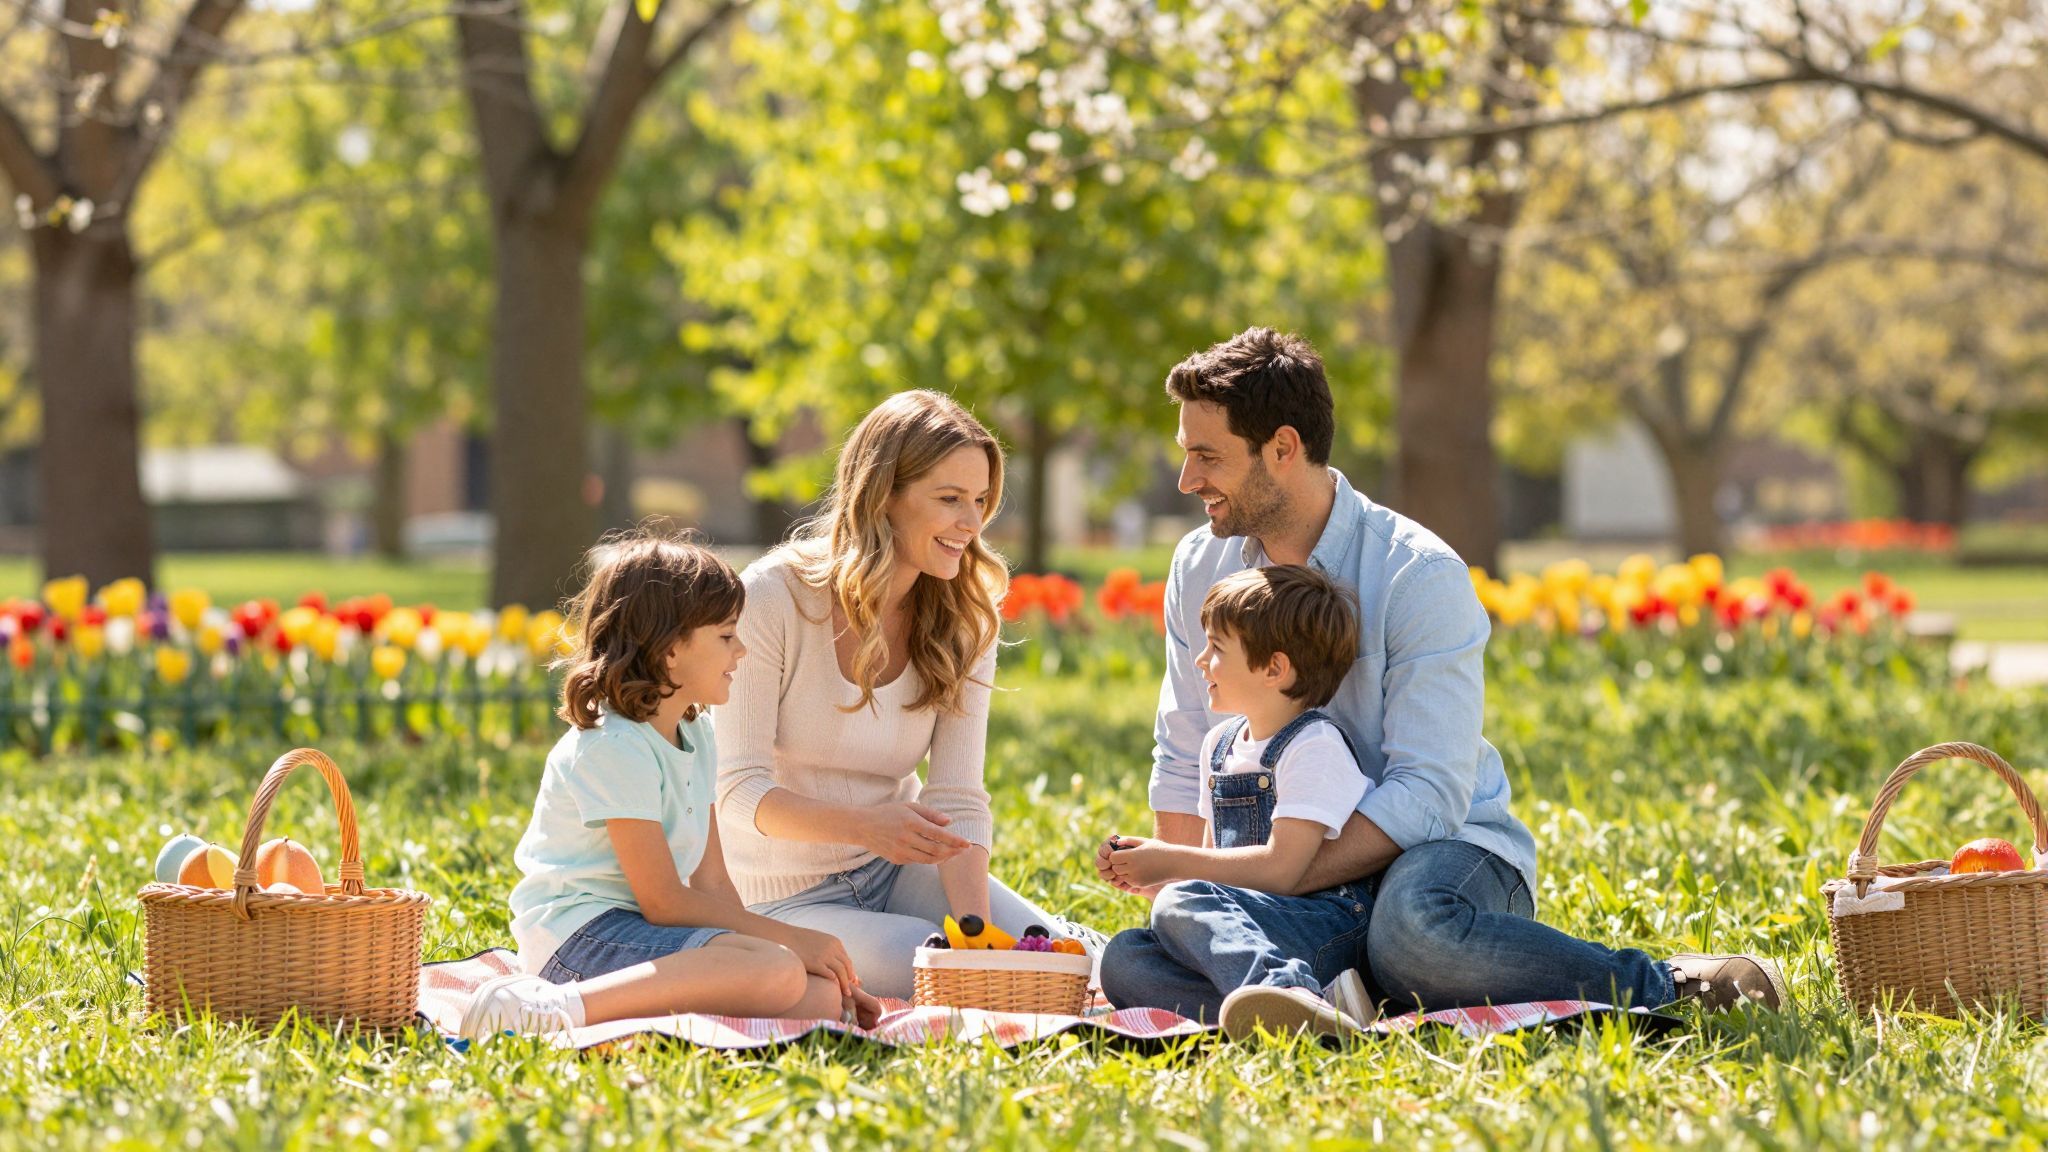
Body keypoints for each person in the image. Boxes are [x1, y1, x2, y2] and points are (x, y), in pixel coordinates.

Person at [1099, 327, 1787, 1023]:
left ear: (1282, 448)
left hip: (1441, 857)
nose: (1188, 481)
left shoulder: (1415, 572)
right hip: (1292, 882)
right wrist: (1194, 906)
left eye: (1206, 457)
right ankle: (1334, 998)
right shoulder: (1199, 567)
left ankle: (1662, 984)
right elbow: (1185, 749)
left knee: (1411, 935)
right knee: (1134, 960)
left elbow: (1428, 793)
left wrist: (1267, 875)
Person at [717, 391, 1096, 1000]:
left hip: (898, 870)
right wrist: (866, 827)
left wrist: (976, 938)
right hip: (776, 895)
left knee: (1049, 965)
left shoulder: (966, 615)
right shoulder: (772, 599)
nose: (970, 525)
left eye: (980, 502)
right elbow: (738, 792)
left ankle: (1069, 940)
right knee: (924, 967)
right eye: (949, 500)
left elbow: (957, 796)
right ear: (882, 495)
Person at [462, 533, 882, 1038]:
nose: (742, 650)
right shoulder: (614, 745)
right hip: (580, 941)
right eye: (727, 636)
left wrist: (804, 960)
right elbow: (663, 899)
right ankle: (551, 1010)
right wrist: (792, 940)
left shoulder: (696, 731)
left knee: (815, 996)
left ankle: (625, 1007)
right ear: (669, 652)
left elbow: (712, 885)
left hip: (645, 931)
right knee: (778, 970)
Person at [1100, 564, 1381, 1038]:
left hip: (1323, 929)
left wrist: (1171, 866)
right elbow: (1214, 867)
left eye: (1217, 648)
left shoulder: (1314, 747)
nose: (1200, 660)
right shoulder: (1220, 745)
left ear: (1274, 668)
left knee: (1180, 899)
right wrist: (1152, 871)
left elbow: (1282, 870)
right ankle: (1317, 1010)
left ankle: (1287, 991)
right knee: (1125, 958)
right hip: (1251, 927)